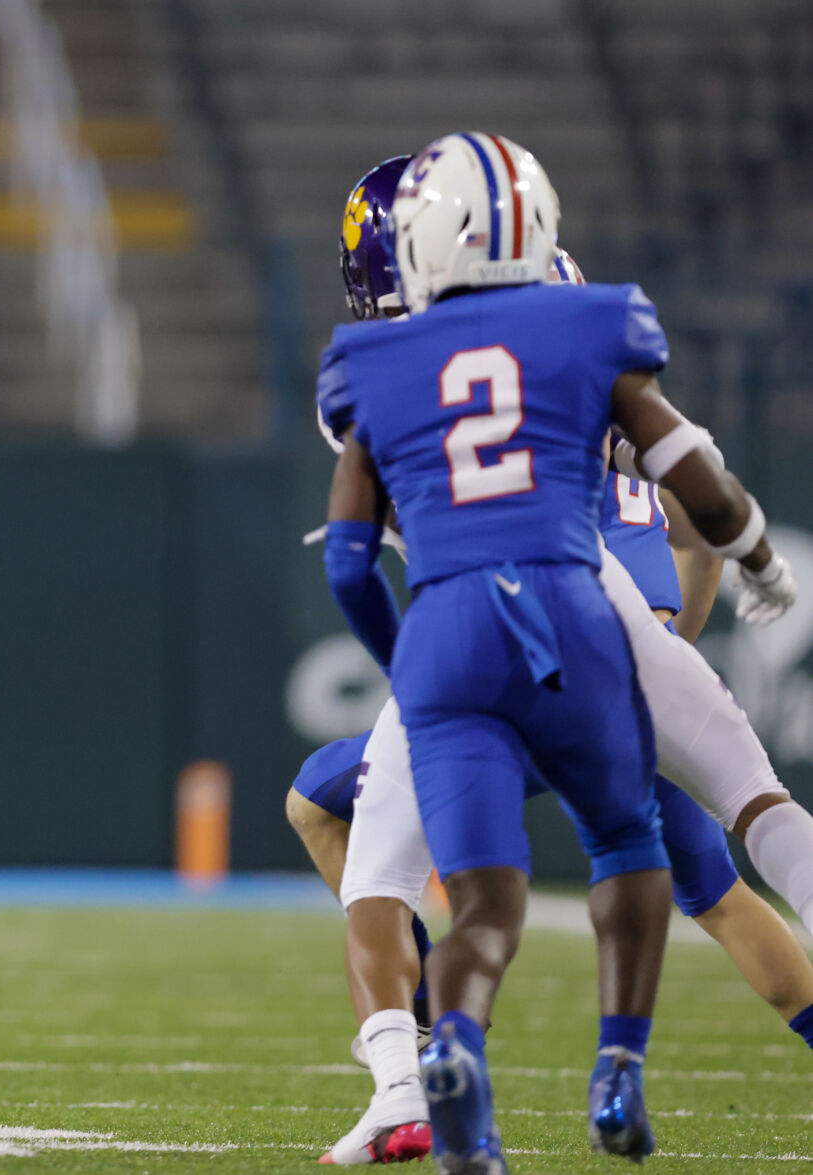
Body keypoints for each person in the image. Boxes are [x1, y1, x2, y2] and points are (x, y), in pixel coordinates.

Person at [293, 159, 813, 1166]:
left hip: (452, 630)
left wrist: (410, 672)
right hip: (595, 612)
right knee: (723, 816)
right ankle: (617, 1060)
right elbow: (683, 480)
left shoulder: (369, 364)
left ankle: (412, 1076)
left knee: (391, 872)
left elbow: (356, 561)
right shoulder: (581, 320)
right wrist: (748, 554)